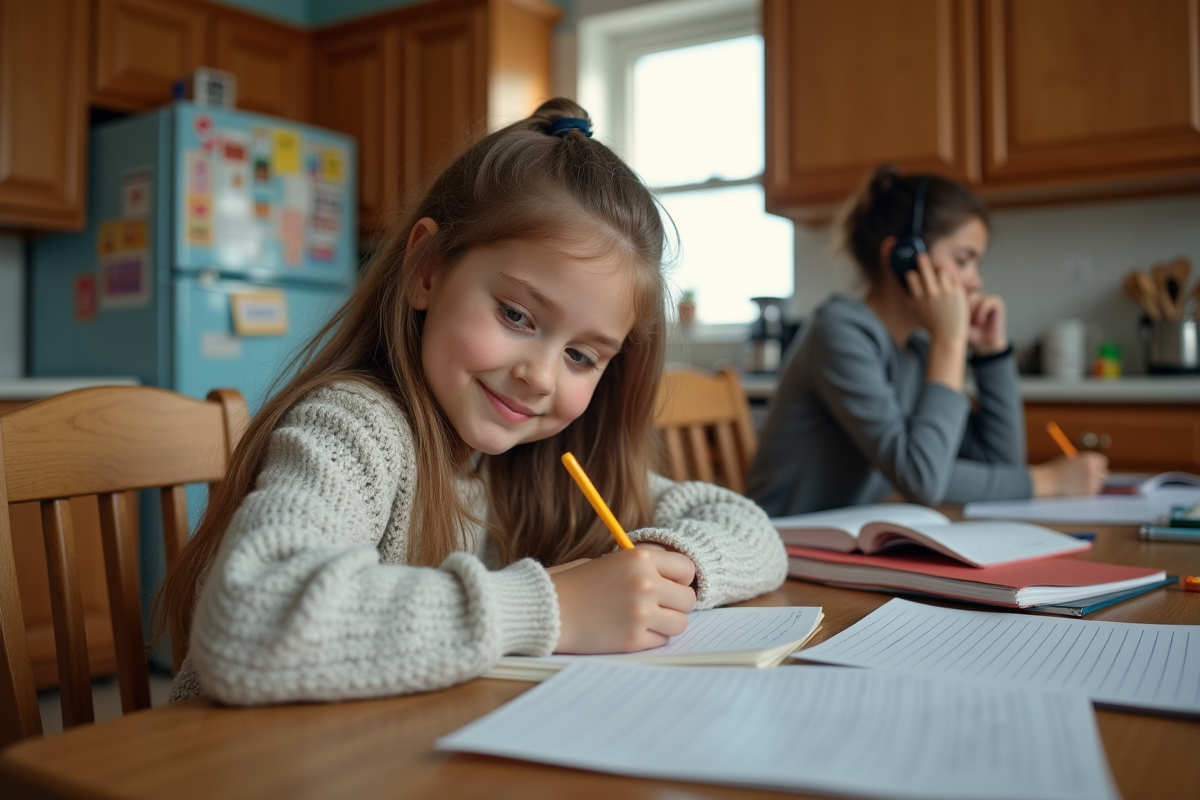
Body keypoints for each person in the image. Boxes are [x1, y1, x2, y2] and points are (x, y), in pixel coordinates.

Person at [156, 99, 788, 705]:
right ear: (427, 269)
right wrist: (555, 609)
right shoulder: (355, 426)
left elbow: (754, 534)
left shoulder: (544, 463)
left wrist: (666, 568)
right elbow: (249, 620)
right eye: (516, 314)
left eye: (581, 356)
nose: (540, 377)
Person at [747, 164, 1108, 516]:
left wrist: (991, 355)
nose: (975, 281)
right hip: (782, 546)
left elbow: (997, 465)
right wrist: (1047, 480)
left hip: (847, 538)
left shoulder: (916, 352)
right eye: (964, 260)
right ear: (905, 258)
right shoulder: (839, 332)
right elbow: (922, 478)